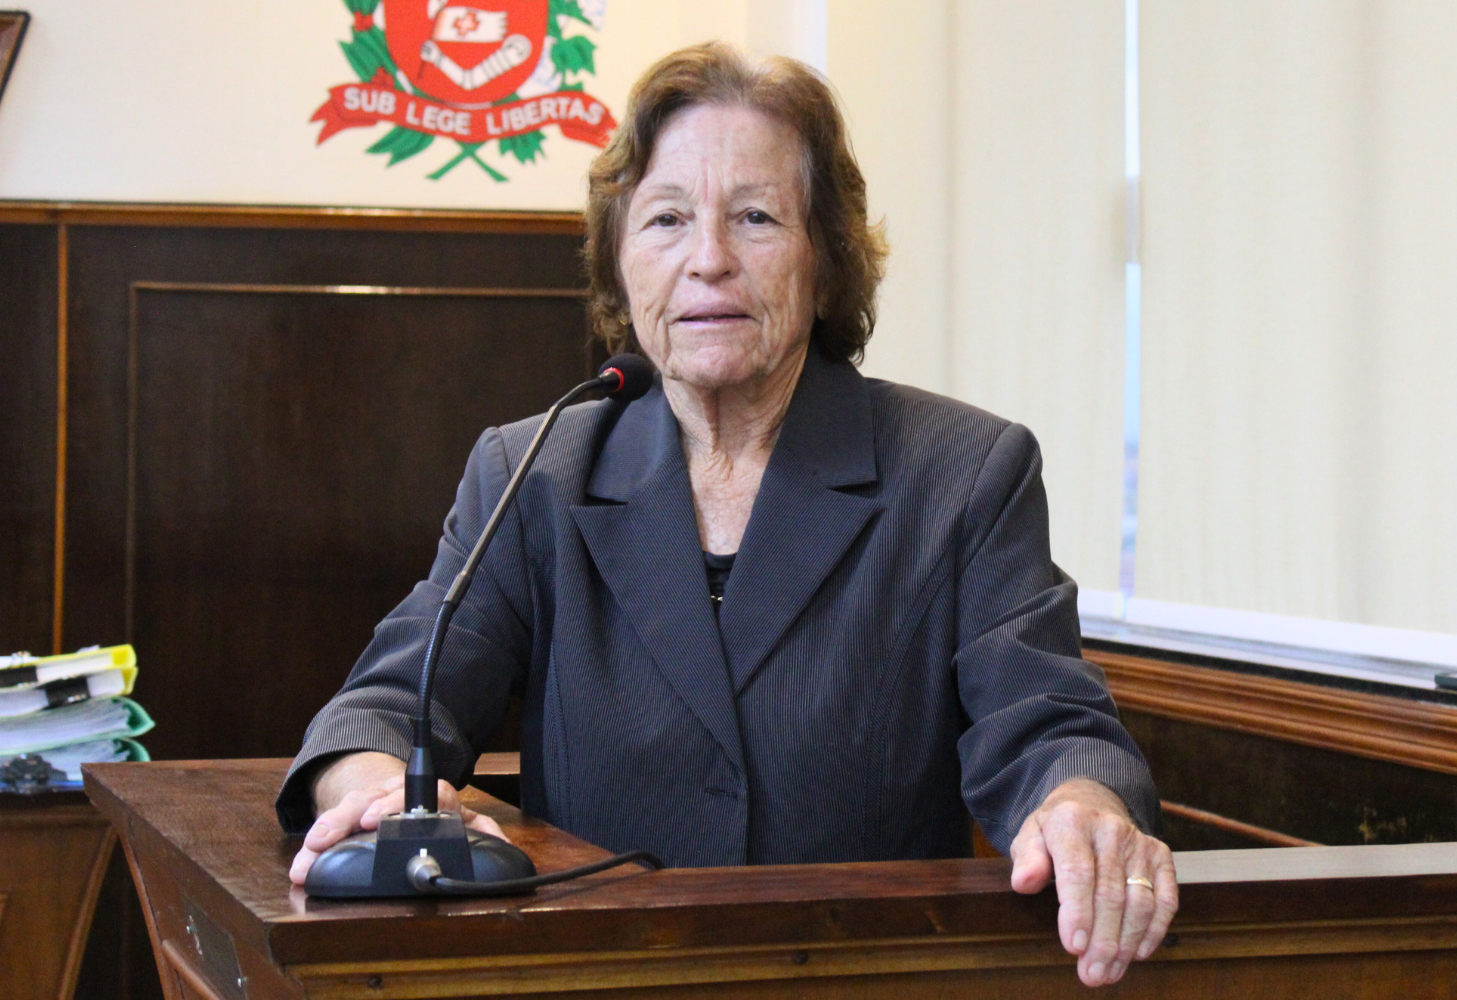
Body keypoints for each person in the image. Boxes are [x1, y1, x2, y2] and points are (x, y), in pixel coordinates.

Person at [278, 42, 1177, 988]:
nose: (708, 261)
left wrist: (1083, 806)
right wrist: (381, 796)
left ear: (826, 263)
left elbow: (1047, 721)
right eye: (666, 219)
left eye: (755, 217)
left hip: (856, 978)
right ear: (622, 265)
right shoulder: (535, 469)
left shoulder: (962, 472)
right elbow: (385, 709)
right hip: (598, 980)